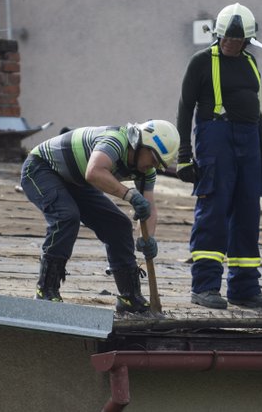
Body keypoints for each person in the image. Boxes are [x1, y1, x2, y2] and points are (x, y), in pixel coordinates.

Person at [20, 120, 180, 312]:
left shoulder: (146, 172)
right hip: (40, 169)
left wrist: (148, 238)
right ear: (140, 143)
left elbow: (150, 208)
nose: (152, 166)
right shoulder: (115, 141)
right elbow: (94, 172)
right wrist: (129, 194)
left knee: (118, 225)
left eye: (158, 164)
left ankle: (129, 297)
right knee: (66, 216)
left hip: (75, 181)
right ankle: (46, 290)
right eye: (153, 159)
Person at [176, 2, 262, 310]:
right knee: (214, 213)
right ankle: (205, 286)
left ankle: (244, 288)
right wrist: (183, 155)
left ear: (248, 40)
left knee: (248, 216)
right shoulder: (201, 62)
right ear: (217, 35)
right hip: (215, 141)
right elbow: (184, 108)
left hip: (248, 145)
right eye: (228, 39)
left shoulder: (251, 63)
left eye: (239, 40)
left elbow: (256, 114)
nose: (233, 44)